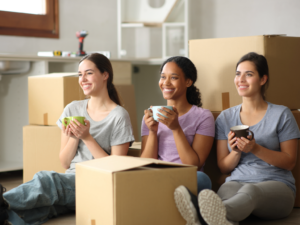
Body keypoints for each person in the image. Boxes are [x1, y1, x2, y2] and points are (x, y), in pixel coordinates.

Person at [0, 53, 135, 225]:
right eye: (80, 74)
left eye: (89, 73)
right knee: (39, 210)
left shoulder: (119, 116)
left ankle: (2, 202)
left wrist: (86, 137)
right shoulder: (72, 109)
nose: (83, 79)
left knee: (46, 180)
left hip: (97, 185)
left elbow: (117, 171)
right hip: (70, 183)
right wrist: (74, 138)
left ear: (105, 75)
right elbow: (64, 163)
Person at [173, 52, 300, 225]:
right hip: (237, 182)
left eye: (249, 74)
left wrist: (255, 148)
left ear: (263, 79)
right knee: (226, 191)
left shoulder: (281, 114)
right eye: (238, 74)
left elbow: (290, 162)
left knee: (250, 191)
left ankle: (201, 216)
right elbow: (223, 167)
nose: (241, 79)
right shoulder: (226, 118)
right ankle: (219, 218)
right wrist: (235, 152)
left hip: (277, 186)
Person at [141, 56, 215, 194]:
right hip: (158, 175)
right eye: (163, 77)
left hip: (185, 177)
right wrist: (152, 131)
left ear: (188, 81)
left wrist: (176, 128)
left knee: (202, 179)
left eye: (173, 78)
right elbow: (145, 164)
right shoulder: (150, 116)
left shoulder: (203, 116)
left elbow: (193, 166)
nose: (166, 83)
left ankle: (183, 201)